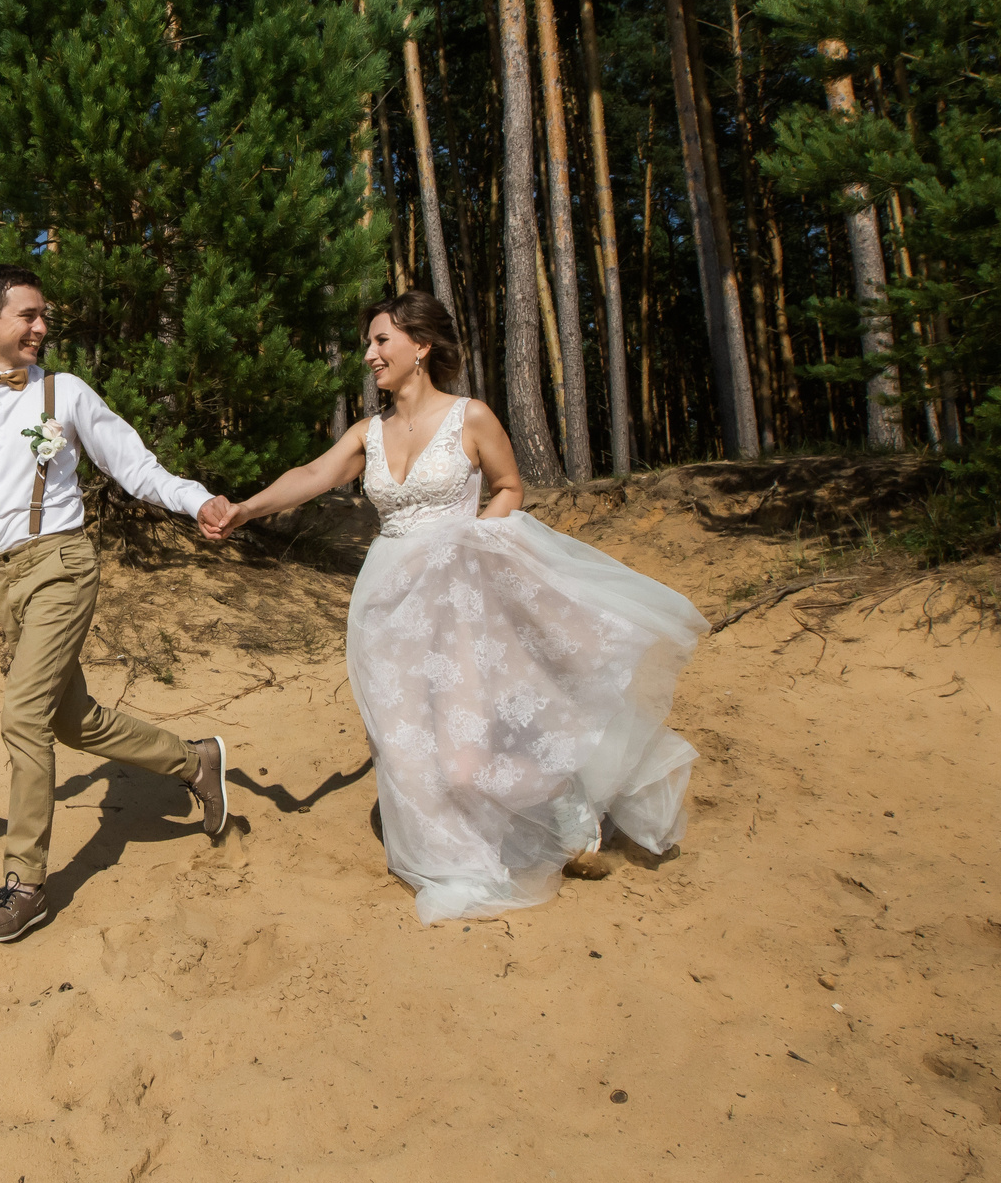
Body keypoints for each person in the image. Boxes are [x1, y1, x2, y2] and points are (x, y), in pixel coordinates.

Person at [203, 291, 709, 922]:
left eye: (381, 341)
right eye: (369, 343)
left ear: (422, 346)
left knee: (468, 753)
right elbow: (311, 475)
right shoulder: (370, 432)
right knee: (407, 743)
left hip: (462, 601)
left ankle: (565, 799)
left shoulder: (470, 416)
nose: (369, 355)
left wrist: (473, 546)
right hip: (387, 607)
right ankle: (456, 855)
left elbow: (509, 488)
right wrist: (245, 508)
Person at [0, 264, 236, 944]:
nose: (41, 327)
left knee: (21, 713)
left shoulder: (66, 392)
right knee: (72, 719)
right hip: (4, 578)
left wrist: (195, 497)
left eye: (44, 316)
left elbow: (134, 464)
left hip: (61, 564)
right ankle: (193, 759)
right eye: (28, 315)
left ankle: (24, 883)